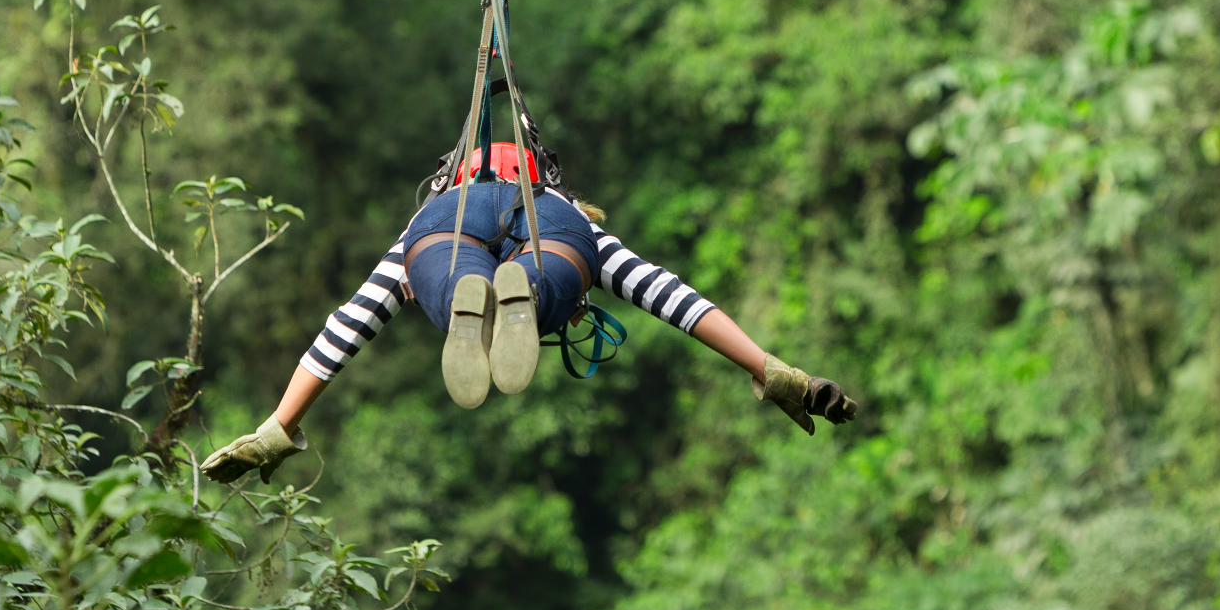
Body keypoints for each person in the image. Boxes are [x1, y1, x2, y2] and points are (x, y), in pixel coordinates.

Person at [201, 142, 859, 484]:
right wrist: (771, 369)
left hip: (442, 229)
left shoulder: (416, 229)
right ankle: (529, 287)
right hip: (551, 226)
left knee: (451, 280)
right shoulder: (580, 222)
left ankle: (474, 290)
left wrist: (277, 428)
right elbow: (673, 298)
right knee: (550, 284)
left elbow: (342, 329)